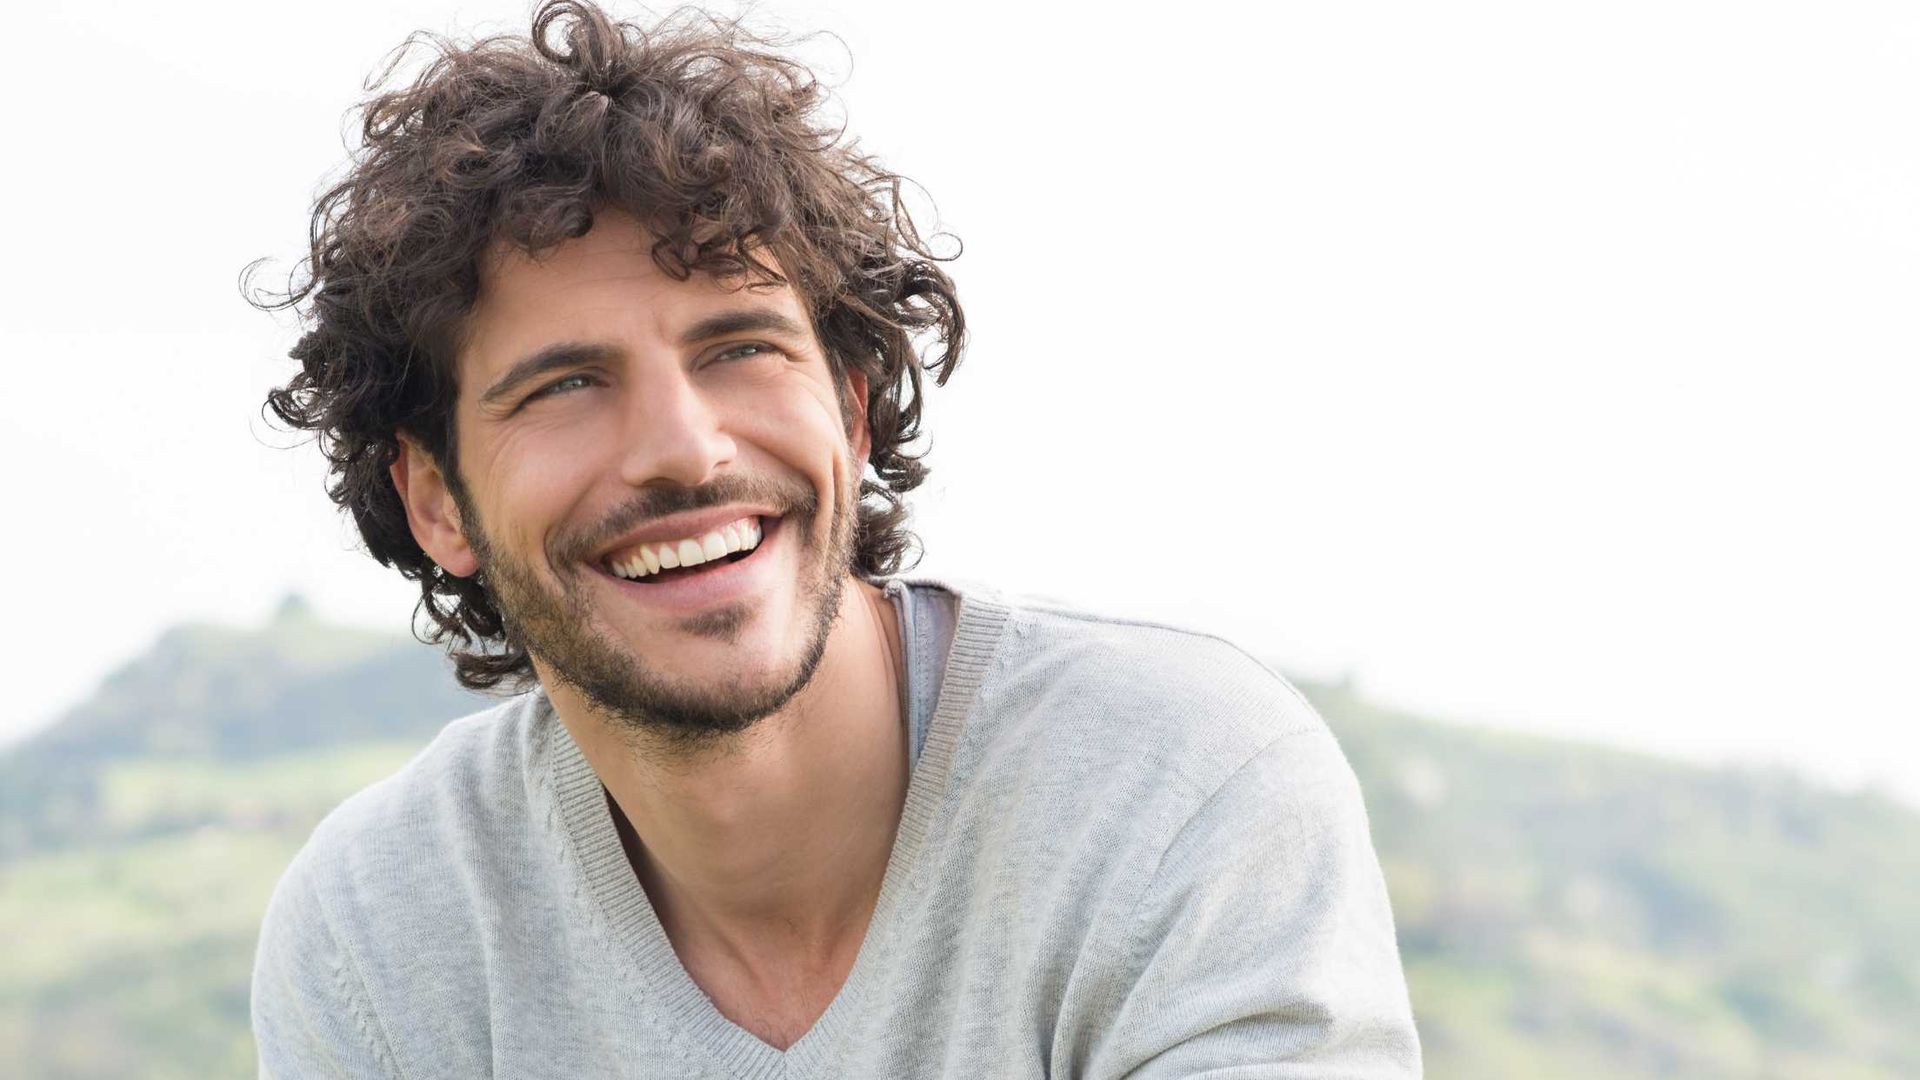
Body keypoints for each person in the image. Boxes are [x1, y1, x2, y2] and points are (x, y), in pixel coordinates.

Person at [248, 2, 1422, 1076]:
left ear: (851, 408)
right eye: (564, 385)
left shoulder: (1176, 790)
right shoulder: (380, 934)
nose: (685, 450)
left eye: (738, 347)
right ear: (435, 500)